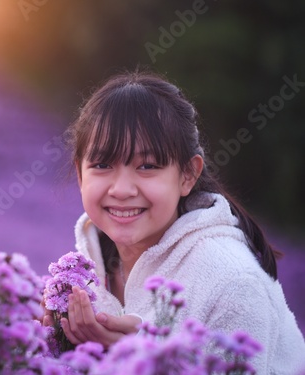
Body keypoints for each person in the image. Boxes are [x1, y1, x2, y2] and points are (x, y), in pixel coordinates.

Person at [43, 70, 305, 373]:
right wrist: (50, 342)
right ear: (80, 173)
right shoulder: (87, 269)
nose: (122, 190)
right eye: (102, 164)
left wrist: (153, 359)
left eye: (147, 166)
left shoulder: (233, 284)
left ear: (187, 175)